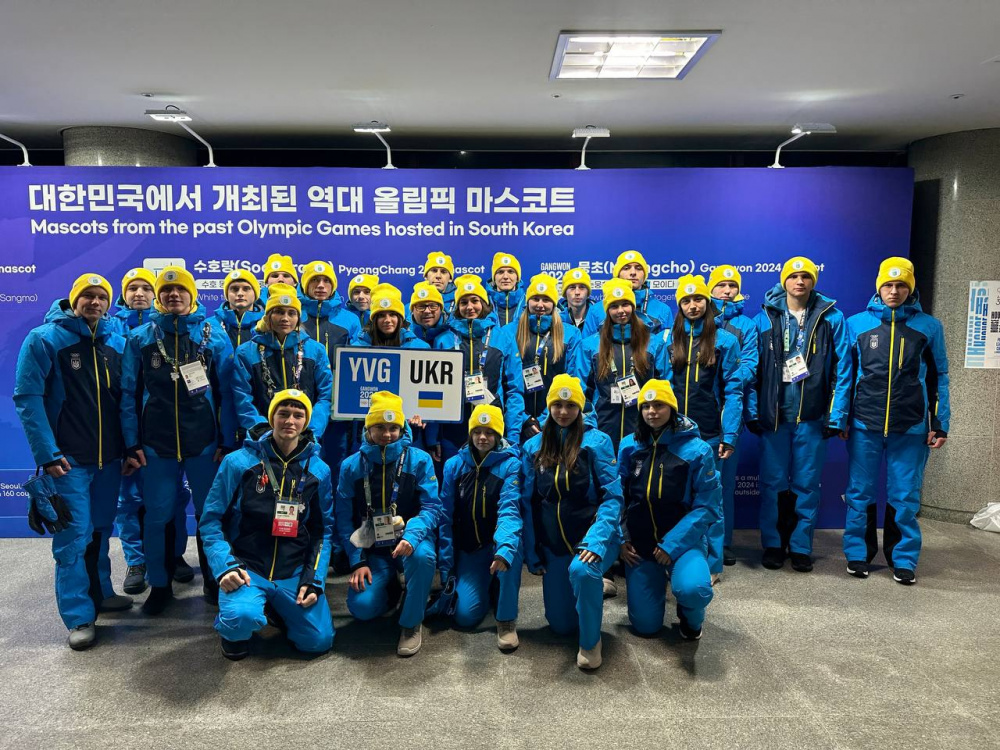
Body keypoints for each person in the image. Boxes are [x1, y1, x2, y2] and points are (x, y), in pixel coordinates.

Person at [14, 273, 133, 649]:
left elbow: (126, 401)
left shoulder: (118, 341)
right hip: (67, 462)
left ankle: (101, 593)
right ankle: (79, 615)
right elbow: (28, 398)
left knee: (100, 529)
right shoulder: (44, 339)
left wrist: (130, 448)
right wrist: (47, 454)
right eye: (88, 296)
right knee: (72, 539)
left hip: (109, 459)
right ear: (73, 299)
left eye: (101, 297)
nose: (95, 302)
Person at [121, 266, 237, 614]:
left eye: (181, 290)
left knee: (210, 514)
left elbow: (227, 394)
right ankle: (160, 584)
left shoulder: (214, 336)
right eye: (167, 291)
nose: (174, 295)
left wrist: (227, 441)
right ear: (159, 297)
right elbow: (128, 394)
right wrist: (132, 443)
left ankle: (215, 580)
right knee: (157, 515)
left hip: (204, 444)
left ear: (192, 295)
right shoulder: (140, 338)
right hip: (156, 446)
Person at [200, 389, 335, 660]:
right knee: (241, 619)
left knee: (318, 641)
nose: (290, 421)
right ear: (272, 417)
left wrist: (314, 578)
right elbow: (212, 521)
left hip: (293, 571)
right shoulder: (238, 463)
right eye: (283, 414)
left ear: (306, 422)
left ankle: (276, 606)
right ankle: (233, 626)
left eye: (298, 415)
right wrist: (225, 566)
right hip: (248, 568)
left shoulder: (319, 471)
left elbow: (323, 532)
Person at [843, 258, 950, 585]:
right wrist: (841, 418)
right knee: (859, 493)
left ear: (910, 288)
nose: (894, 291)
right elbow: (844, 375)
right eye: (888, 285)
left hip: (911, 425)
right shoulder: (856, 324)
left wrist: (939, 422)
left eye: (901, 285)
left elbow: (939, 376)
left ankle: (902, 558)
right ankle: (858, 554)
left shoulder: (929, 327)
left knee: (904, 495)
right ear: (878, 288)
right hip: (865, 423)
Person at [747, 257, 852, 572]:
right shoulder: (763, 319)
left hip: (812, 417)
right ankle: (774, 544)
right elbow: (751, 371)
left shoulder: (832, 318)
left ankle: (801, 546)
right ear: (784, 281)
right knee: (773, 484)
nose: (800, 281)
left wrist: (836, 416)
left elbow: (843, 369)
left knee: (807, 485)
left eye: (806, 276)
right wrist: (753, 412)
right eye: (794, 276)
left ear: (813, 281)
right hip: (775, 418)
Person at [521, 375, 622, 669]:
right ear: (549, 406)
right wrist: (533, 551)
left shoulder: (597, 442)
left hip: (592, 540)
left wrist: (597, 541)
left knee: (582, 569)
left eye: (570, 405)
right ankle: (587, 588)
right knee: (561, 626)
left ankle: (591, 643)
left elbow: (612, 498)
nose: (563, 412)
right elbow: (528, 502)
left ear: (580, 408)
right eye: (557, 405)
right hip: (554, 544)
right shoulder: (533, 446)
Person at [335, 392, 441, 656]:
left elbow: (431, 507)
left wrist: (412, 536)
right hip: (374, 549)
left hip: (411, 542)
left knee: (423, 558)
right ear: (368, 428)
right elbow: (344, 519)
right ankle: (394, 589)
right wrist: (357, 561)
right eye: (380, 427)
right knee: (362, 608)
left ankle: (411, 623)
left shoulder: (419, 460)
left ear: (402, 428)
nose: (387, 434)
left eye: (394, 428)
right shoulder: (350, 466)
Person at [618, 380, 720, 640]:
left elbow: (708, 505)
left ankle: (690, 617)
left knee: (693, 590)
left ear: (672, 408)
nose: (652, 411)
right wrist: (622, 538)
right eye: (646, 406)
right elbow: (617, 497)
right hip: (641, 546)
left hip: (683, 543)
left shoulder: (697, 450)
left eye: (659, 405)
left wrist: (671, 545)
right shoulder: (629, 446)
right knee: (645, 626)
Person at [114, 267, 194, 595]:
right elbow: (128, 392)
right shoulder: (115, 329)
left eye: (146, 288)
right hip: (143, 436)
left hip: (186, 436)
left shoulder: (199, 331)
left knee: (174, 499)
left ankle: (173, 556)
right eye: (132, 288)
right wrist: (130, 441)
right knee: (131, 502)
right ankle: (137, 562)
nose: (139, 293)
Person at [660, 274, 742, 582]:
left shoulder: (725, 341)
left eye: (698, 300)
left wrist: (729, 434)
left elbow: (734, 391)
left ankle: (712, 562)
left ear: (708, 303)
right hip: (673, 434)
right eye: (686, 300)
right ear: (679, 305)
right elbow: (660, 387)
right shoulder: (668, 341)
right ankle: (673, 556)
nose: (693, 306)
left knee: (710, 501)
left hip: (709, 434)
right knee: (672, 498)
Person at [437, 404, 522, 650]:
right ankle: (488, 585)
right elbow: (445, 516)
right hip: (470, 549)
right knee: (465, 617)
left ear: (498, 435)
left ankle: (506, 619)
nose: (482, 437)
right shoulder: (454, 465)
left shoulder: (510, 465)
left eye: (489, 432)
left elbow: (509, 510)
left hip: (495, 545)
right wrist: (446, 568)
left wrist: (503, 549)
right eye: (477, 431)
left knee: (513, 551)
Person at [433, 275, 525, 461]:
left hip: (492, 430)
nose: (469, 307)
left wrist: (513, 435)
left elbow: (514, 390)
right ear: (457, 307)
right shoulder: (443, 340)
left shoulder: (503, 338)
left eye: (475, 301)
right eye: (464, 302)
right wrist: (433, 438)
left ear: (484, 303)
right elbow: (434, 390)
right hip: (452, 433)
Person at [232, 283, 332, 440]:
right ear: (268, 316)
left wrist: (310, 431)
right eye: (279, 312)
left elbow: (325, 395)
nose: (285, 318)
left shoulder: (315, 350)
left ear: (298, 318)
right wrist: (262, 431)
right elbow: (242, 396)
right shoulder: (246, 352)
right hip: (261, 438)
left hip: (305, 437)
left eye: (291, 313)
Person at [708, 265, 759, 567]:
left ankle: (723, 542)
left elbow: (750, 363)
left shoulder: (746, 325)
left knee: (724, 484)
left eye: (732, 285)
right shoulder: (698, 319)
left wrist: (725, 376)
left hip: (729, 411)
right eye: (721, 285)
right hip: (698, 412)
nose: (727, 290)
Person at [298, 260, 361, 492]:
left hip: (337, 410)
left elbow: (358, 364)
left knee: (336, 467)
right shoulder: (294, 314)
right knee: (301, 468)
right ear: (305, 285)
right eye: (314, 280)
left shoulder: (349, 320)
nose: (321, 285)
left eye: (326, 281)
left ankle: (332, 514)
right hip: (301, 408)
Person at [582, 278, 665, 454]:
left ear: (633, 307)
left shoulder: (653, 343)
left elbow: (665, 385)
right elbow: (582, 389)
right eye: (614, 306)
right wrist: (589, 426)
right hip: (602, 428)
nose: (620, 311)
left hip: (644, 426)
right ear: (607, 310)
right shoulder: (590, 345)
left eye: (625, 304)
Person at [504, 273, 586, 443]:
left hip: (556, 419)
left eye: (546, 300)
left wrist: (544, 419)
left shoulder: (570, 334)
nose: (540, 305)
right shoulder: (508, 332)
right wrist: (524, 419)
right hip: (516, 421)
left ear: (554, 304)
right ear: (527, 302)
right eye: (535, 299)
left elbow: (573, 379)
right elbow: (506, 384)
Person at [582, 251, 673, 335]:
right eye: (626, 268)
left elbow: (668, 345)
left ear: (644, 275)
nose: (633, 272)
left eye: (638, 268)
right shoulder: (596, 310)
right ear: (617, 274)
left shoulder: (663, 310)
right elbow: (587, 345)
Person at [354, 284, 429, 350]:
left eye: (392, 314)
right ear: (374, 320)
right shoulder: (356, 349)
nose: (387, 320)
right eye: (381, 315)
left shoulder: (420, 348)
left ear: (400, 318)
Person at [211, 269, 265, 352]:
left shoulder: (266, 326)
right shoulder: (211, 325)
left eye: (246, 289)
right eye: (234, 289)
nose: (240, 293)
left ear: (255, 294)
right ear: (227, 294)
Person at [486, 252, 525, 327]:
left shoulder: (527, 302)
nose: (505, 277)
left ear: (517, 277)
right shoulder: (484, 303)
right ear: (494, 278)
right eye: (500, 272)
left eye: (510, 272)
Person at [408, 281, 449, 347]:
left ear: (441, 309)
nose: (427, 311)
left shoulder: (455, 334)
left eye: (433, 306)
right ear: (412, 310)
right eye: (421, 307)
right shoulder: (404, 335)